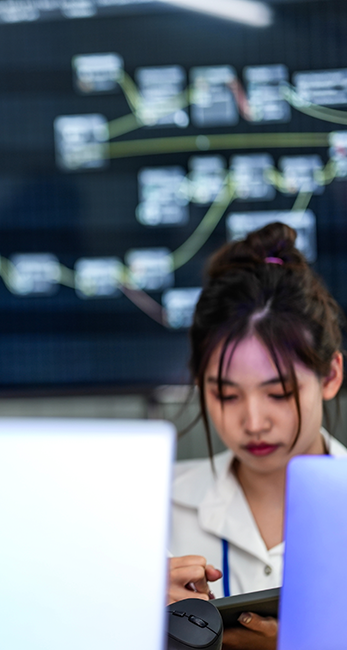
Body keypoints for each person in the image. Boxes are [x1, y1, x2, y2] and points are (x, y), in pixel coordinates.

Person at [166, 222, 346, 649]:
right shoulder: (149, 508)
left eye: (279, 393)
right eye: (226, 394)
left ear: (331, 376)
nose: (253, 422)